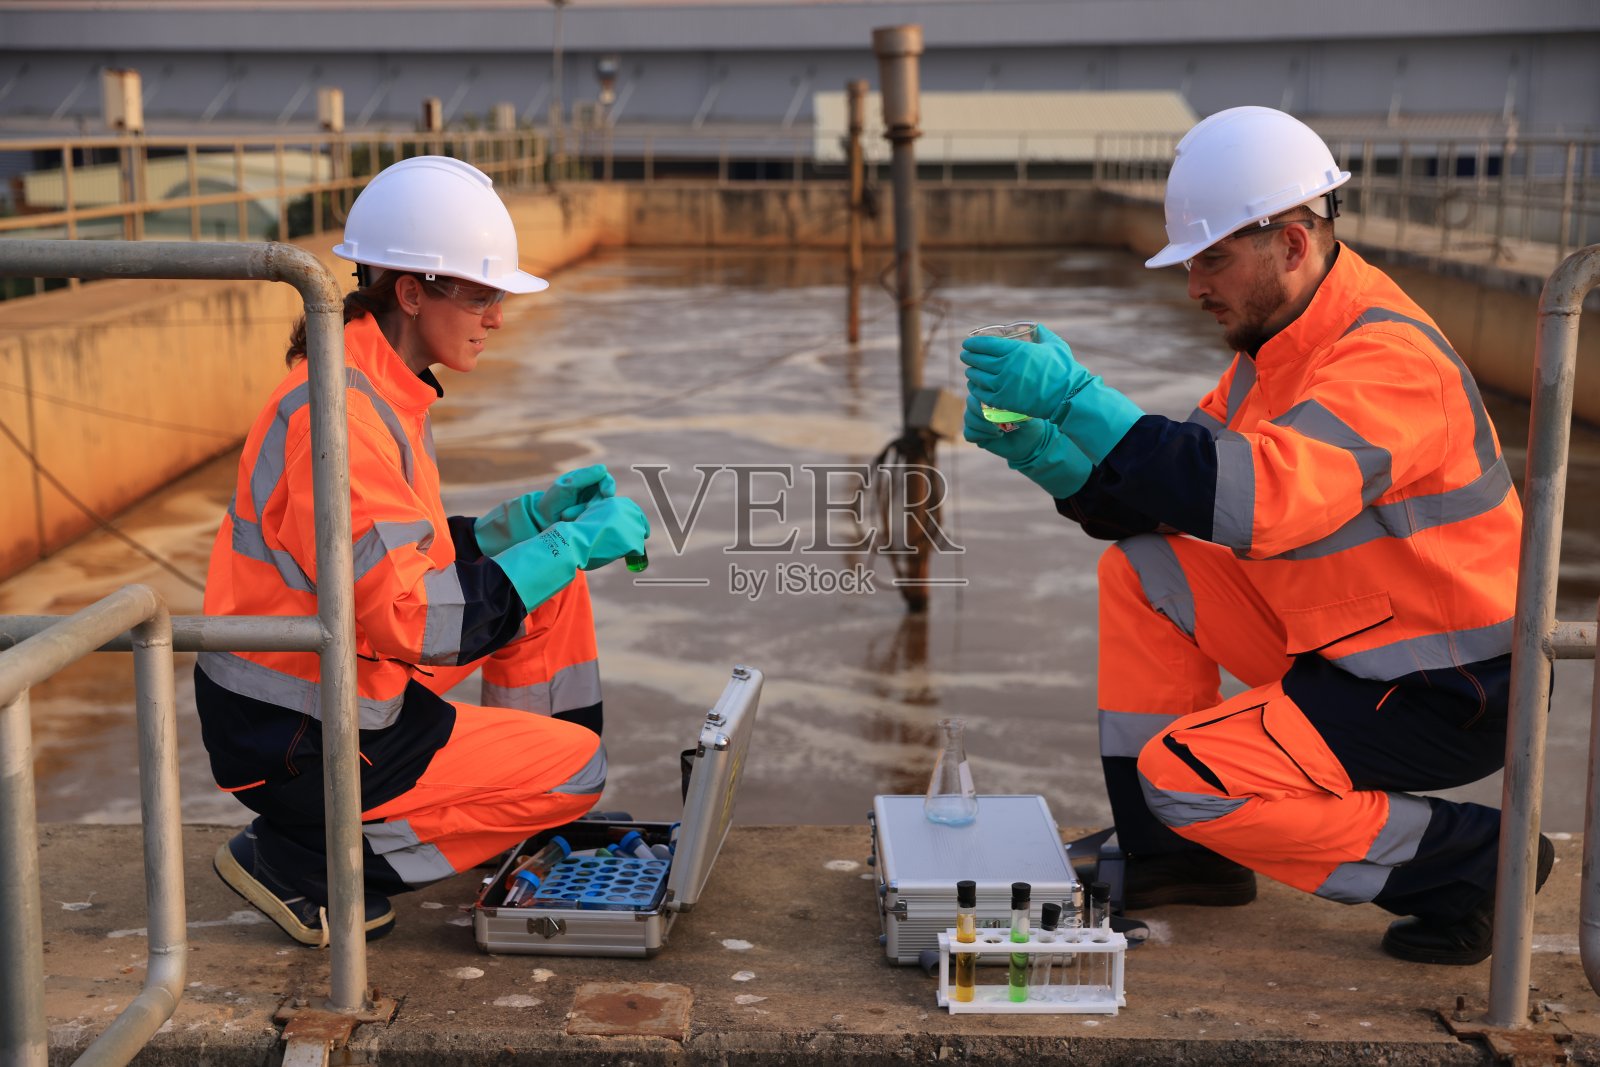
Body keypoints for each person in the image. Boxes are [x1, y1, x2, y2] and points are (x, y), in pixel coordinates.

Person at [961, 106, 1549, 966]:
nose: (1195, 285)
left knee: (1185, 772)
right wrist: (1048, 454)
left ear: (1292, 244)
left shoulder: (1387, 361)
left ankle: (1472, 861)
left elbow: (1255, 499)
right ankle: (1180, 861)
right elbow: (1172, 501)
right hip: (1365, 644)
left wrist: (1080, 396)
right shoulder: (1276, 349)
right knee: (1144, 569)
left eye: (1211, 258)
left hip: (1453, 688)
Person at [196, 155, 650, 946]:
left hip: (332, 682)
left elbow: (407, 556)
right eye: (481, 294)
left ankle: (520, 822)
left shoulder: (380, 383)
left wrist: (531, 523)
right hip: (299, 734)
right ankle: (311, 860)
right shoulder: (338, 418)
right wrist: (568, 542)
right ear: (412, 291)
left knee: (552, 591)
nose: (497, 316)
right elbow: (420, 620)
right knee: (577, 769)